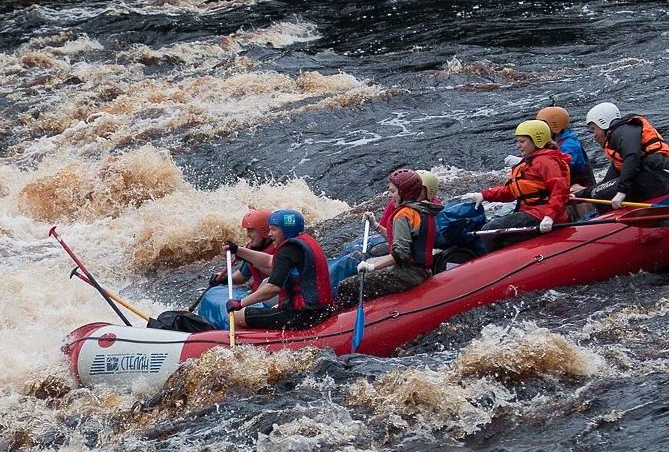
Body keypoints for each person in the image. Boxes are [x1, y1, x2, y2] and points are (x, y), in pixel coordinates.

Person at [458, 119, 571, 252]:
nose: (518, 145)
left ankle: (496, 264)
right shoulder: (529, 162)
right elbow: (512, 191)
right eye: (517, 141)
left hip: (542, 214)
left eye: (522, 141)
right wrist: (484, 195)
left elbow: (559, 190)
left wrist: (549, 216)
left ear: (537, 140)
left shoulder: (545, 162)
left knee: (489, 230)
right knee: (495, 228)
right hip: (531, 212)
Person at [336, 168, 441, 307]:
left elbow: (400, 254)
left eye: (392, 191)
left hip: (410, 274)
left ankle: (348, 318)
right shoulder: (423, 209)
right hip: (420, 270)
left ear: (404, 193)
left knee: (345, 286)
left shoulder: (404, 215)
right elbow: (397, 238)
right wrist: (375, 225)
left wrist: (372, 267)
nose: (389, 195)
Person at [223, 209, 334, 330]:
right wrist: (237, 249)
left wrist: (240, 303)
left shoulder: (287, 251)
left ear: (286, 230)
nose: (270, 234)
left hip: (301, 315)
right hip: (321, 309)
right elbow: (270, 262)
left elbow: (272, 288)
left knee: (236, 316)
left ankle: (244, 345)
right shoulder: (304, 241)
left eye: (273, 230)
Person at [574, 102, 669, 208]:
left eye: (593, 129)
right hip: (655, 179)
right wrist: (577, 195)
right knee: (598, 192)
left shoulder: (622, 131)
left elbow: (632, 155)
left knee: (599, 193)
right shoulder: (619, 150)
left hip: (659, 178)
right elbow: (607, 182)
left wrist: (622, 191)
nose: (594, 136)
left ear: (603, 123)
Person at [197, 209, 275, 329]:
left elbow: (274, 271)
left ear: (264, 231)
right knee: (214, 292)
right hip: (256, 298)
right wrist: (224, 279)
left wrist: (242, 252)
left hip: (271, 300)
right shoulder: (251, 248)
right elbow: (242, 277)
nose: (248, 235)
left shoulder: (279, 249)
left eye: (251, 231)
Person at [536, 106, 594, 188]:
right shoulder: (551, 141)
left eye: (543, 125)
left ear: (555, 125)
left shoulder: (570, 145)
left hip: (580, 186)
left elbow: (562, 168)